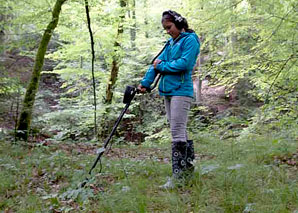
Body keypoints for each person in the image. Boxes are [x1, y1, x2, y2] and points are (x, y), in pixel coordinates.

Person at [138, 10, 200, 188]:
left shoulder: (190, 40)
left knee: (177, 131)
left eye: (169, 27)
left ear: (179, 24)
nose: (167, 31)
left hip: (182, 90)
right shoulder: (170, 43)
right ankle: (187, 173)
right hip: (168, 91)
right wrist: (145, 83)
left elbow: (185, 64)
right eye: (165, 29)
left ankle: (178, 178)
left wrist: (162, 65)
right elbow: (155, 64)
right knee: (180, 131)